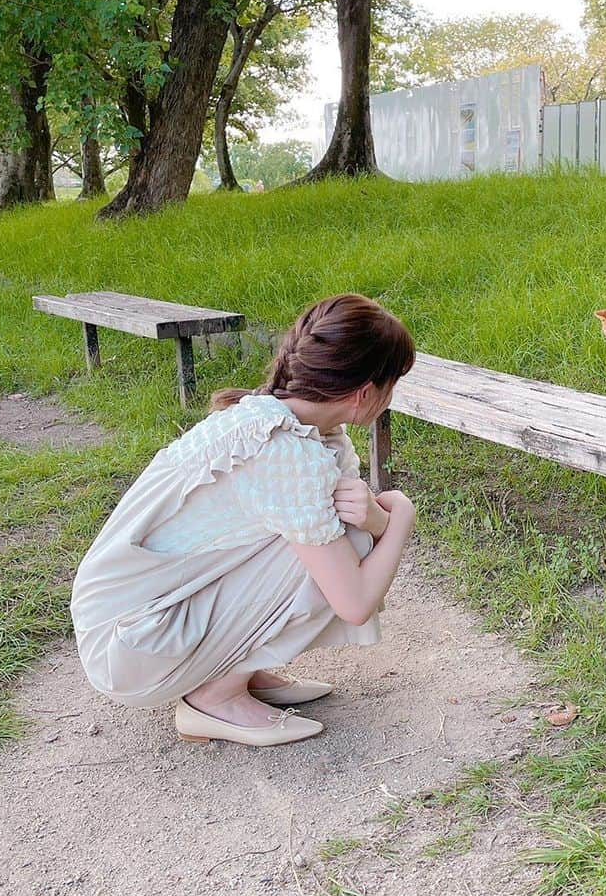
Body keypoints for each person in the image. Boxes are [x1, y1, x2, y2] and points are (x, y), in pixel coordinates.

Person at [70, 293, 417, 747]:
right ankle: (215, 696)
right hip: (132, 646)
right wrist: (401, 512)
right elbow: (354, 600)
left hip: (137, 624)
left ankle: (238, 670)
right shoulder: (287, 454)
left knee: (340, 530)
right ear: (365, 393)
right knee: (344, 548)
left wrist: (375, 518)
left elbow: (357, 513)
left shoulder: (280, 418)